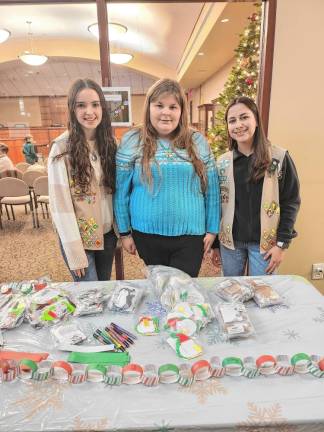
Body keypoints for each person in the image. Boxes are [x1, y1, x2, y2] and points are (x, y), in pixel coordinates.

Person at [114, 78, 220, 277]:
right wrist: (124, 232)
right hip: (146, 234)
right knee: (158, 291)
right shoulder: (132, 139)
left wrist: (213, 228)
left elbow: (212, 189)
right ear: (149, 108)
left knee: (184, 294)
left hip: (191, 235)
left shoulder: (196, 140)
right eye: (159, 105)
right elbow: (121, 191)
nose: (166, 112)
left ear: (181, 111)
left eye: (173, 106)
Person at [211, 96, 300, 276]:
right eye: (232, 120)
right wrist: (215, 245)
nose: (238, 125)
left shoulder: (279, 158)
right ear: (228, 127)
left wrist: (281, 244)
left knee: (262, 293)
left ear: (256, 120)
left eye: (244, 117)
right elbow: (215, 205)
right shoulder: (222, 163)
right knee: (231, 292)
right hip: (231, 243)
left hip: (265, 245)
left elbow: (291, 202)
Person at [48, 78, 117, 281]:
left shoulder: (110, 143)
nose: (89, 112)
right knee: (91, 299)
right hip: (79, 239)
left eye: (95, 104)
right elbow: (60, 205)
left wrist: (121, 231)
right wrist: (74, 252)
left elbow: (115, 191)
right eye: (81, 105)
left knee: (104, 290)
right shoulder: (61, 148)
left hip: (107, 235)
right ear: (72, 109)